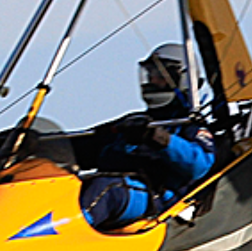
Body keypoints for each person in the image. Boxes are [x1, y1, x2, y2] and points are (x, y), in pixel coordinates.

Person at [77, 44, 214, 230]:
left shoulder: (189, 125)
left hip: (159, 196)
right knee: (72, 187)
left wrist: (160, 139)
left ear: (181, 78)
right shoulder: (136, 121)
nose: (153, 80)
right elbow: (88, 143)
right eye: (151, 74)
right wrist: (44, 146)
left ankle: (62, 236)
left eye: (162, 76)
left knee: (105, 190)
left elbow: (200, 165)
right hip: (124, 183)